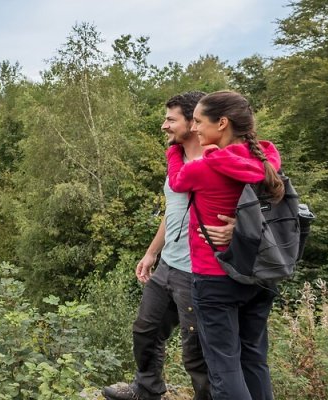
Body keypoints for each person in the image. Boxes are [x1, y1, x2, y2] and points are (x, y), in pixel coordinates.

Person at [103, 91, 234, 400]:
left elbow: (261, 201)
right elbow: (173, 210)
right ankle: (146, 390)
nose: (164, 125)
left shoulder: (219, 160)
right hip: (168, 266)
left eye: (170, 119)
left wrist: (238, 226)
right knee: (145, 331)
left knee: (196, 353)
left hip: (199, 272)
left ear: (193, 122)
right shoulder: (177, 161)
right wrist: (151, 253)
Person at [167, 90, 283, 400]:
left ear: (222, 123)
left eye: (199, 122)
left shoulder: (205, 167)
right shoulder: (267, 159)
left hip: (216, 276)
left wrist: (172, 150)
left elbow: (177, 182)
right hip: (260, 272)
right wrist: (245, 230)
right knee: (255, 361)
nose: (194, 129)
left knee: (224, 368)